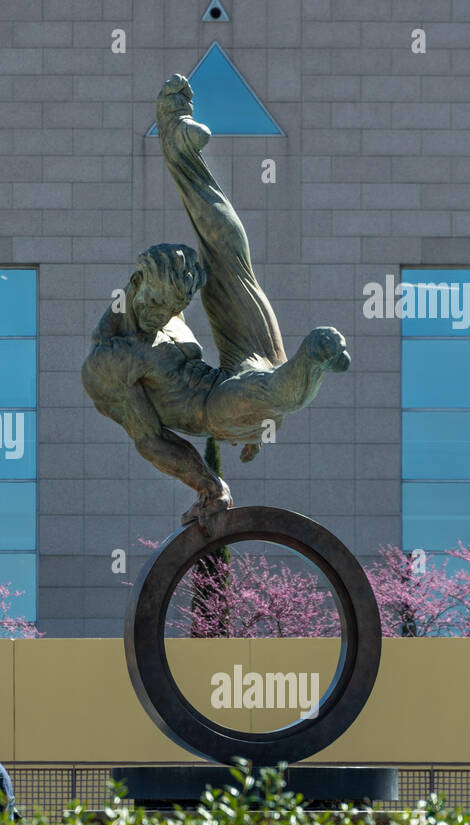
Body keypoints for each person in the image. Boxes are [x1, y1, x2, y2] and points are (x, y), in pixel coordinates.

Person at [80, 74, 351, 535]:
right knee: (254, 393)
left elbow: (198, 277)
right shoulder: (109, 365)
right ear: (135, 288)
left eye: (173, 308)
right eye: (157, 308)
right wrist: (208, 485)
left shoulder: (154, 301)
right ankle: (311, 363)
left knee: (225, 249)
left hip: (238, 369)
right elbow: (151, 441)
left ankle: (176, 140)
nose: (163, 317)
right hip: (214, 408)